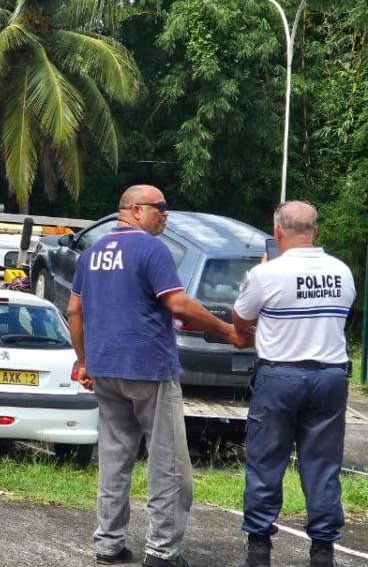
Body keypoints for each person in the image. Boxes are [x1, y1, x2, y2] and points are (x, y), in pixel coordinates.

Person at [67, 184, 248, 567]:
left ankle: (108, 545)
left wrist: (83, 361)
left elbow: (74, 312)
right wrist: (228, 331)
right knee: (169, 464)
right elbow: (178, 303)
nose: (165, 214)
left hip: (106, 369)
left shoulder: (92, 253)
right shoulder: (151, 249)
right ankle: (162, 552)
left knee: (114, 460)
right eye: (158, 208)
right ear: (133, 210)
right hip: (148, 368)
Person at [232, 201, 355, 567]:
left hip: (280, 376)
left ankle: (259, 550)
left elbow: (240, 320)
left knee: (266, 461)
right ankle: (322, 552)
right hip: (331, 377)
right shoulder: (342, 272)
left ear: (277, 232)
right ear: (315, 231)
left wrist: (256, 278)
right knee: (322, 464)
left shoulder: (267, 274)